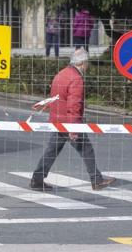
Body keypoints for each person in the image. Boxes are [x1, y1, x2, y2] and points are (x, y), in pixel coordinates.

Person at [30, 48, 115, 191]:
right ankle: (96, 180)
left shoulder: (61, 74)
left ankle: (37, 179)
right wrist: (74, 128)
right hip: (69, 122)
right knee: (86, 149)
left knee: (52, 150)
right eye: (87, 62)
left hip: (57, 121)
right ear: (82, 63)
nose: (87, 65)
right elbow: (74, 105)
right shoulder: (76, 79)